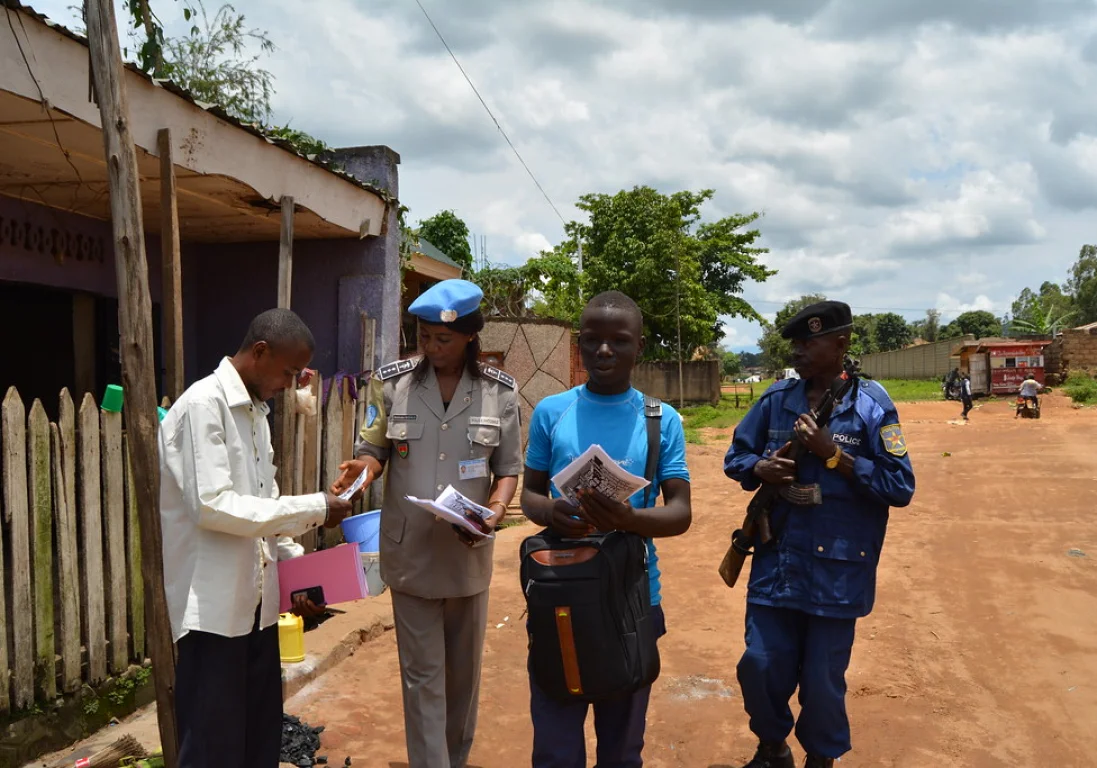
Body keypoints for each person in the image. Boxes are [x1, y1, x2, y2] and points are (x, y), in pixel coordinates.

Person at [331, 279, 522, 768]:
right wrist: (364, 468)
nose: (433, 347)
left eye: (444, 339)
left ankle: (454, 759)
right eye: (424, 337)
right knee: (422, 677)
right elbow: (373, 448)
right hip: (411, 553)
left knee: (463, 676)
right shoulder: (391, 383)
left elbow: (507, 470)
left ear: (470, 338)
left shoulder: (498, 393)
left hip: (466, 553)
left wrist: (495, 514)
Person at [723, 300, 915, 768]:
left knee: (823, 683)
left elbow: (899, 485)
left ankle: (822, 758)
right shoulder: (776, 399)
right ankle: (772, 747)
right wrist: (760, 467)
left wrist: (836, 456)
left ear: (841, 343)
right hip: (777, 565)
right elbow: (736, 458)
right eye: (797, 343)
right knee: (760, 666)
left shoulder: (871, 406)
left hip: (837, 572)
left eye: (810, 342)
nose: (800, 351)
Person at [160, 308, 354, 768]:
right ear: (260, 352)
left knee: (257, 745)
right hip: (212, 615)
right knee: (212, 750)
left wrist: (297, 572)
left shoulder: (256, 414)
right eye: (289, 371)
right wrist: (313, 507)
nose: (290, 383)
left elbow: (263, 505)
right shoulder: (202, 406)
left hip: (256, 613)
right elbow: (214, 506)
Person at [520, 290, 693, 767]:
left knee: (621, 748)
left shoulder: (661, 420)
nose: (603, 351)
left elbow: (680, 511)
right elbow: (529, 495)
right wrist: (551, 512)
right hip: (559, 593)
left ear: (639, 346)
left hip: (632, 599)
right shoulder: (552, 412)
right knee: (555, 746)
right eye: (591, 340)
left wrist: (632, 520)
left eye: (618, 341)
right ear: (579, 344)